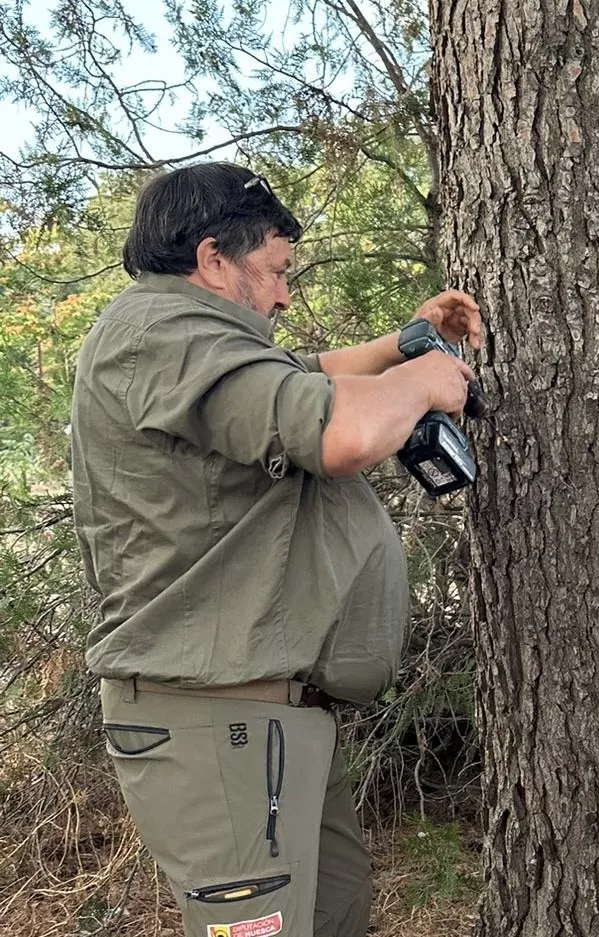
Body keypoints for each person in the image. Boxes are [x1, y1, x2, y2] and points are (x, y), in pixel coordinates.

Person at [71, 162, 482, 937]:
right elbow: (342, 430)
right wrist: (428, 381)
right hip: (217, 724)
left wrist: (404, 346)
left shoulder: (188, 338)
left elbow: (301, 378)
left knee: (333, 909)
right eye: (276, 270)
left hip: (262, 722)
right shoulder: (164, 334)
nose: (286, 294)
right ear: (212, 258)